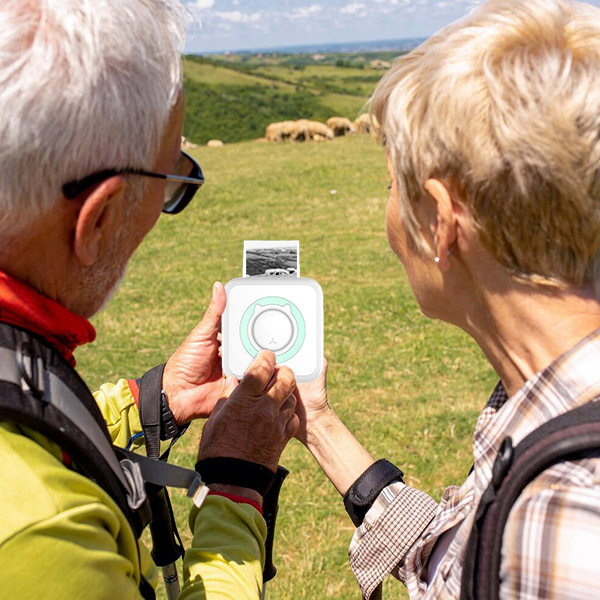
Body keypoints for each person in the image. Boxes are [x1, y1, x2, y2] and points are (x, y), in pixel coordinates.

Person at [295, 0, 600, 598]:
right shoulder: (544, 410)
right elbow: (464, 562)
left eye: (391, 186)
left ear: (441, 220)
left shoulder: (561, 515)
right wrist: (319, 424)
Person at [0, 1, 298, 599]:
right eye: (169, 184)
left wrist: (152, 403)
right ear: (99, 218)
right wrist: (236, 486)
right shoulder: (41, 535)